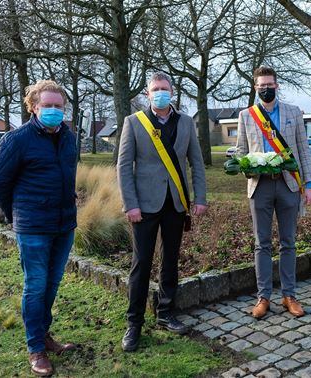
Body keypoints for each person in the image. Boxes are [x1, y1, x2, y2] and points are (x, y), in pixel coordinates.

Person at [0, 80, 77, 377]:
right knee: (35, 287)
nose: (54, 111)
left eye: (58, 106)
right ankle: (35, 348)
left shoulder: (69, 137)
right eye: (48, 106)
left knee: (51, 285)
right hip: (33, 227)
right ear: (34, 107)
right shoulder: (17, 140)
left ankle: (44, 335)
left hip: (64, 224)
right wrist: (15, 215)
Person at [117, 72, 208, 352]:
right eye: (155, 89)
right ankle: (134, 323)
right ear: (147, 94)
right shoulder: (133, 123)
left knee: (170, 259)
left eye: (164, 89)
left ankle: (166, 313)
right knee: (141, 262)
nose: (160, 93)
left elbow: (196, 162)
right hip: (143, 206)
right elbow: (123, 166)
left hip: (176, 203)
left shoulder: (186, 123)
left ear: (172, 92)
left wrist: (200, 198)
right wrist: (130, 204)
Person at [236, 66, 311, 319]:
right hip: (260, 185)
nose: (266, 89)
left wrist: (310, 185)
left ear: (276, 86)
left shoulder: (293, 113)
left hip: (288, 184)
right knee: (262, 244)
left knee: (288, 242)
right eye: (261, 86)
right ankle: (263, 297)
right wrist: (249, 166)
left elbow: (303, 150)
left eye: (270, 85)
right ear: (255, 88)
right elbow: (240, 152)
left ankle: (289, 295)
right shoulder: (247, 115)